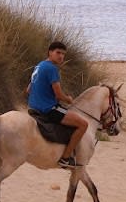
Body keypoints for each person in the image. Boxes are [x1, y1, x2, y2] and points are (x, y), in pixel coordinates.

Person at [26, 41, 88, 169]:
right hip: (48, 110)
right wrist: (69, 99)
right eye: (58, 53)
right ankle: (65, 158)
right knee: (83, 124)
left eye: (63, 54)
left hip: (33, 107)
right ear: (50, 52)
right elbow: (59, 95)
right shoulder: (52, 69)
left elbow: (28, 90)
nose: (61, 56)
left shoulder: (39, 66)